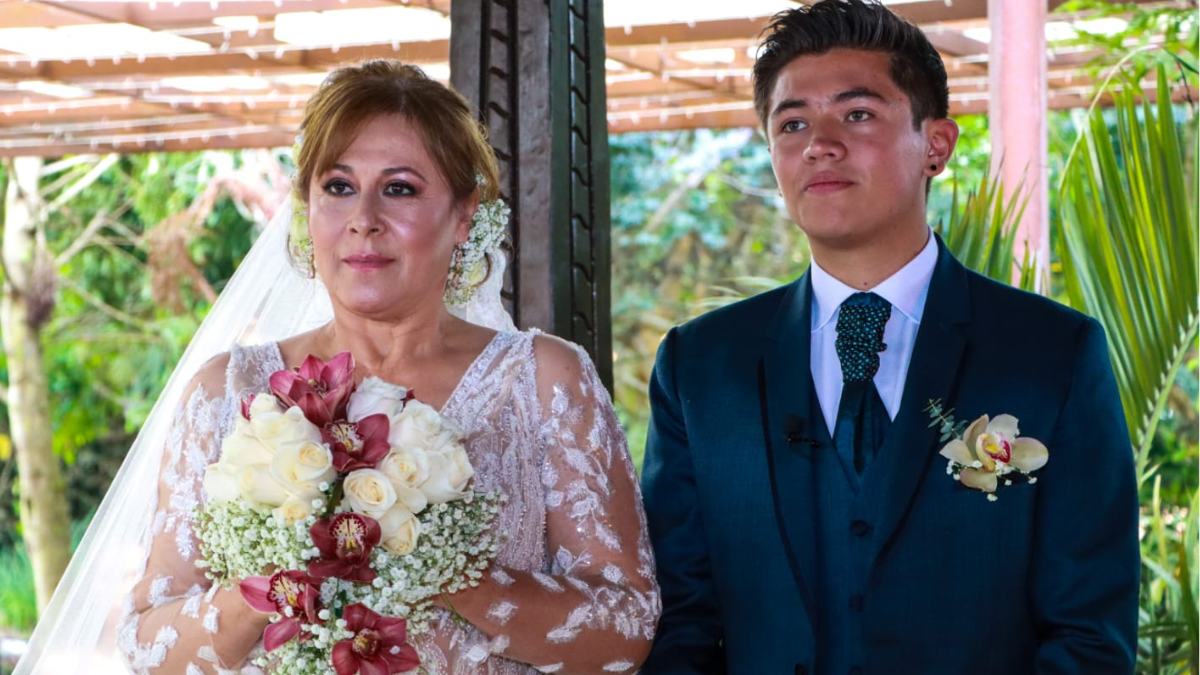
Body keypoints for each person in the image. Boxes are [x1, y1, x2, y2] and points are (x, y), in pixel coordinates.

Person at [17, 61, 659, 675]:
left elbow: (626, 632)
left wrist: (452, 574)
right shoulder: (226, 392)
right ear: (306, 207)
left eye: (400, 189)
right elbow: (149, 648)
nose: (363, 221)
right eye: (339, 187)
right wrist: (272, 585)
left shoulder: (543, 381)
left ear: (465, 215)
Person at [639, 2, 1139, 674]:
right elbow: (678, 621)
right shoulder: (700, 366)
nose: (819, 144)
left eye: (857, 114)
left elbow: (1089, 635)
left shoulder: (1054, 353)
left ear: (937, 145)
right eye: (792, 123)